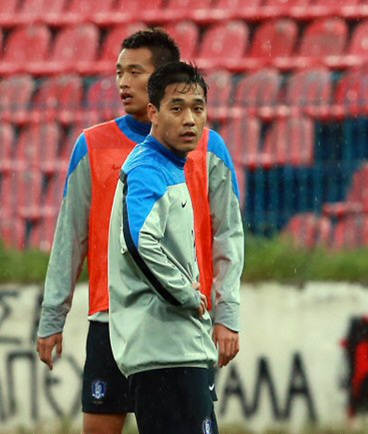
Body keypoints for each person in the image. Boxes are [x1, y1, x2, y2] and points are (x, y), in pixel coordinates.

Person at [36, 29, 243, 434]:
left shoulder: (208, 146)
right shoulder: (92, 144)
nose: (123, 82)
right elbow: (71, 237)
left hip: (177, 321)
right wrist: (52, 316)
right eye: (118, 72)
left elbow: (228, 236)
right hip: (109, 317)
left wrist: (227, 312)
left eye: (135, 72)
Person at [108, 61, 220, 434]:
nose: (190, 119)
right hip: (164, 352)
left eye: (198, 108)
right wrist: (185, 295)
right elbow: (140, 243)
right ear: (153, 112)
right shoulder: (147, 169)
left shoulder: (169, 165)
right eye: (177, 108)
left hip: (178, 350)